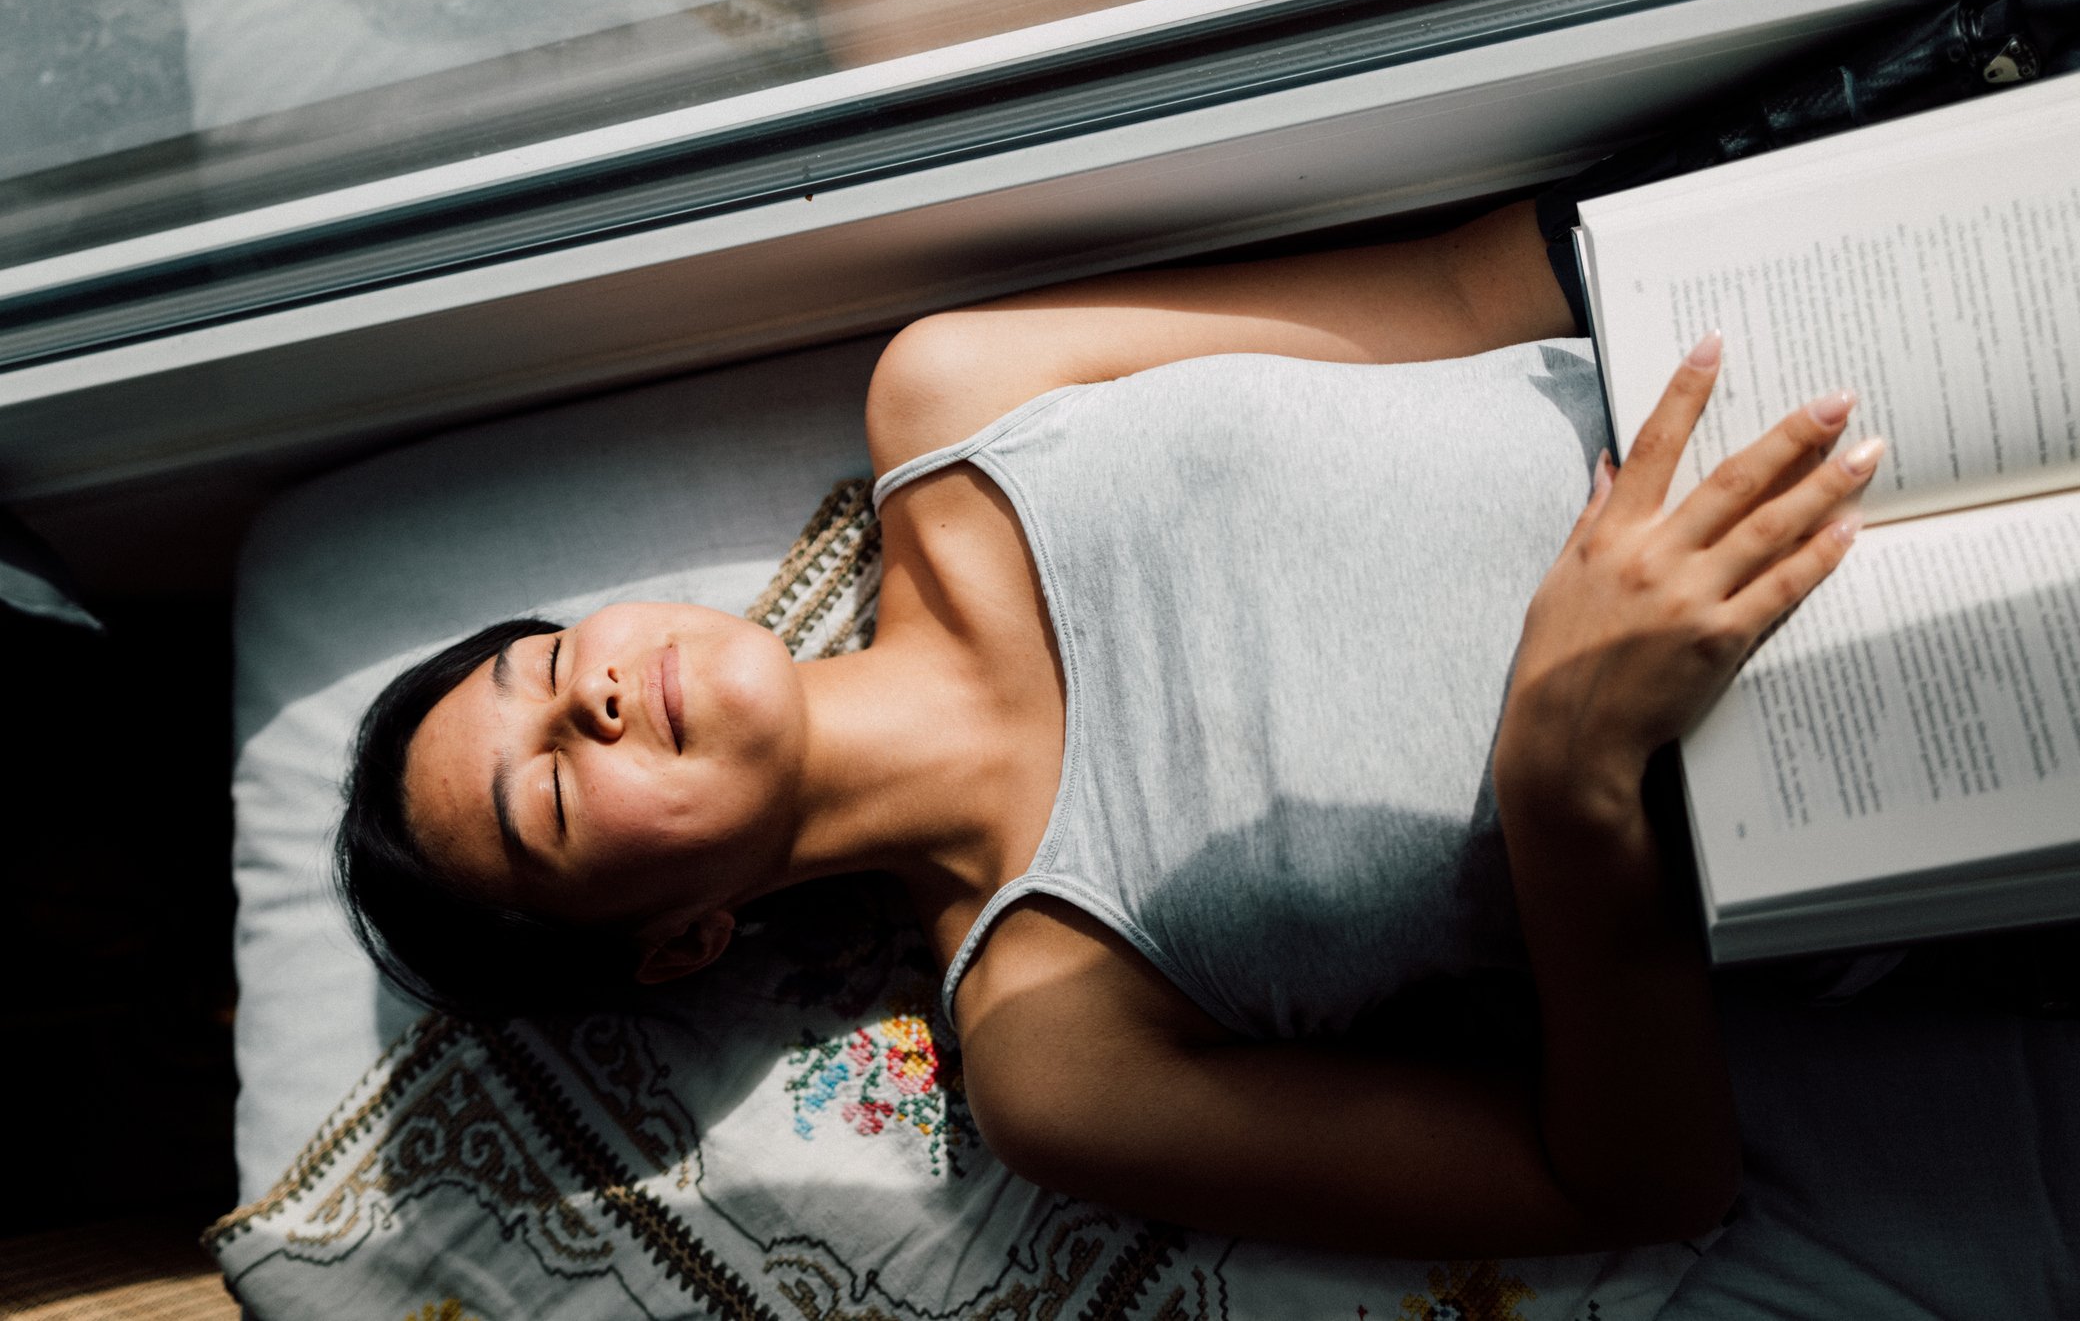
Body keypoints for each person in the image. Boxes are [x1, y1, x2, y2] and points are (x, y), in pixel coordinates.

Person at [334, 180, 1893, 1257]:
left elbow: (1466, 290)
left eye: (545, 669)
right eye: (550, 797)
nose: (592, 700)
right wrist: (1570, 788)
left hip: (1836, 351)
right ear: (677, 941)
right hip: (1905, 749)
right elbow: (1631, 1179)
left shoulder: (952, 408)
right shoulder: (1054, 1057)